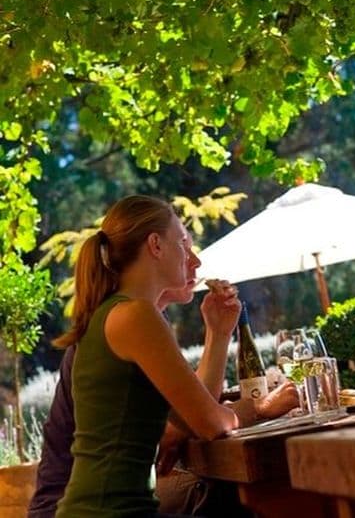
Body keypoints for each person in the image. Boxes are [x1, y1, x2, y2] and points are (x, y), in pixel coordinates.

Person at [44, 195, 291, 517]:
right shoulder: (135, 316)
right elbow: (210, 424)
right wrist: (256, 408)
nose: (195, 260)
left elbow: (192, 416)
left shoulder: (114, 314)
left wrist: (217, 333)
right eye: (184, 244)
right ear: (156, 245)